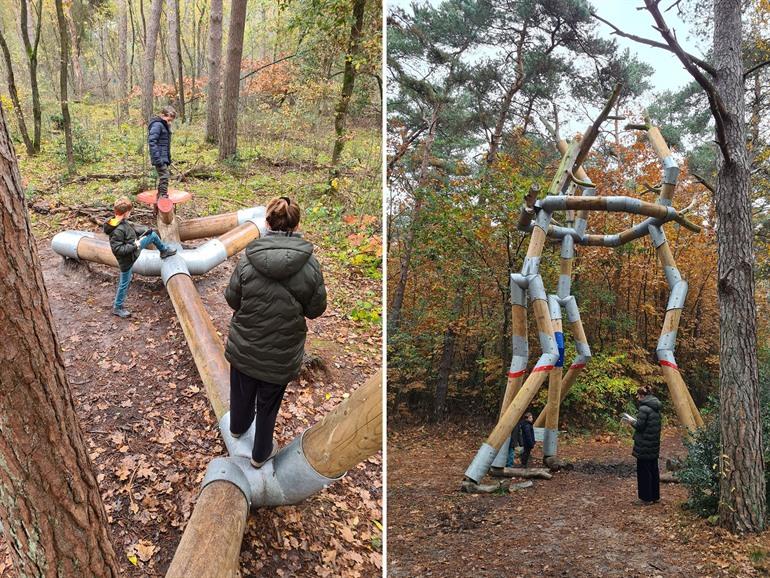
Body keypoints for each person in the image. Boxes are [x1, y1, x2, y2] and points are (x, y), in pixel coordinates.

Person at [224, 197, 327, 468]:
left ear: (267, 223)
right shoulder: (310, 266)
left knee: (240, 394)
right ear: (297, 225)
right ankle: (260, 455)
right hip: (281, 356)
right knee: (268, 407)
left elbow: (232, 299)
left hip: (245, 348)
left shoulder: (248, 260)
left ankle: (236, 429)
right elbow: (316, 309)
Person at [104, 196, 176, 318]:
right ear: (126, 212)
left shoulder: (119, 221)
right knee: (124, 283)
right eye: (130, 212)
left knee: (152, 234)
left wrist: (145, 230)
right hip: (127, 259)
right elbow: (118, 249)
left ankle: (163, 251)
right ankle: (117, 307)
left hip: (133, 250)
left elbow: (131, 228)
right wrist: (135, 245)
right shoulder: (116, 230)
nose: (130, 214)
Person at [628, 385, 662, 505]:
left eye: (638, 395)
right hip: (653, 444)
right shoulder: (656, 407)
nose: (637, 397)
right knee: (653, 470)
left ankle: (646, 498)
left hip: (644, 445)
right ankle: (655, 496)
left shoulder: (644, 409)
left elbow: (640, 426)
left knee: (644, 472)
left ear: (643, 396)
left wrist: (631, 422)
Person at [147, 106, 176, 200]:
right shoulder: (157, 125)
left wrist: (168, 158)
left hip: (163, 157)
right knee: (165, 176)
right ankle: (163, 197)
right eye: (168, 119)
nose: (170, 122)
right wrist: (157, 158)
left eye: (171, 120)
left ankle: (160, 196)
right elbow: (152, 142)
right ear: (163, 115)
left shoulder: (164, 125)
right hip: (159, 157)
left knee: (164, 176)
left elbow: (165, 144)